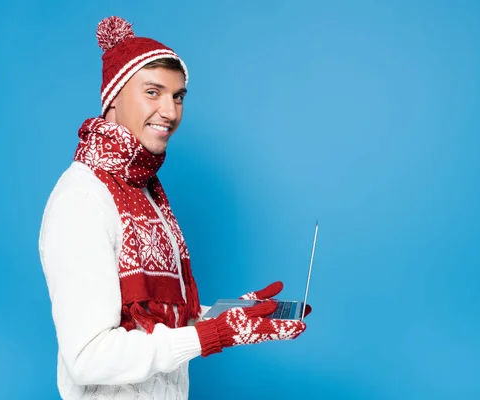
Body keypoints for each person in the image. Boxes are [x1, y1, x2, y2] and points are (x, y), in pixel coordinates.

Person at [38, 16, 310, 399]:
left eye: (178, 96)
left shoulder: (145, 191)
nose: (170, 111)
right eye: (153, 92)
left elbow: (155, 326)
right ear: (113, 96)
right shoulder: (83, 199)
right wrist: (209, 335)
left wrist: (226, 318)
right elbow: (88, 356)